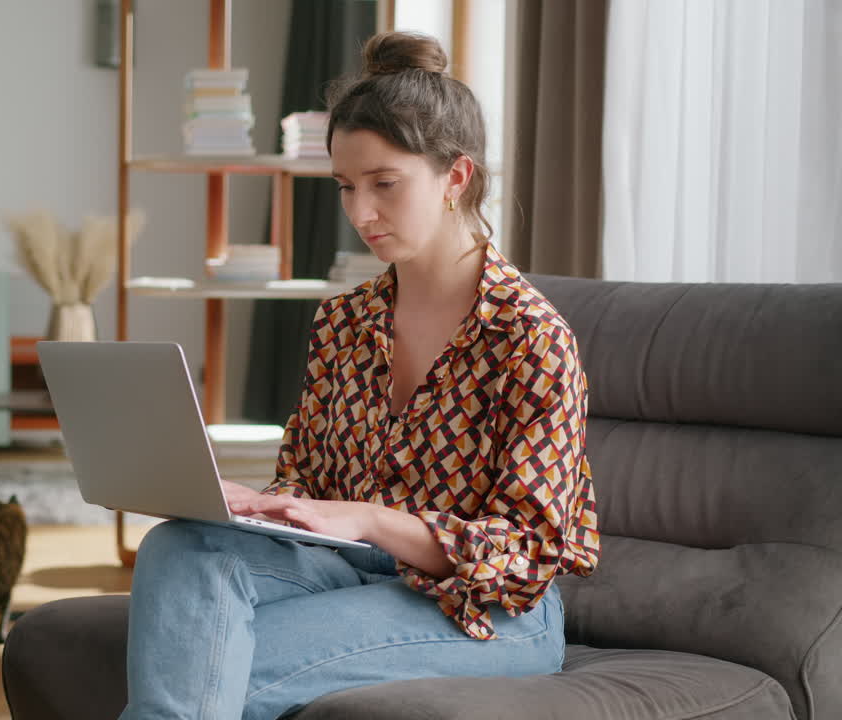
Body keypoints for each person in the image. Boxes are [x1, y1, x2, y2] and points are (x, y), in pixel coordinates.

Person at [120, 32, 600, 720]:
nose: (359, 214)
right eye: (346, 187)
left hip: (489, 609)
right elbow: (308, 480)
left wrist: (375, 520)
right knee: (180, 547)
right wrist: (256, 507)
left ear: (455, 178)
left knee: (207, 664)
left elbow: (530, 552)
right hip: (346, 573)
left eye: (384, 185)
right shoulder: (346, 320)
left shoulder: (530, 337)